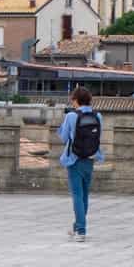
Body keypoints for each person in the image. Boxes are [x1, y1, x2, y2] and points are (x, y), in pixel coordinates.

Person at [58, 85, 104, 241]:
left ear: (76, 100)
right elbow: (99, 137)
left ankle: (81, 231)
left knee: (77, 195)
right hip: (90, 158)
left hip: (74, 159)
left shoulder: (71, 116)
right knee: (84, 195)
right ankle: (78, 226)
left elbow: (64, 138)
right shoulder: (98, 116)